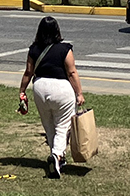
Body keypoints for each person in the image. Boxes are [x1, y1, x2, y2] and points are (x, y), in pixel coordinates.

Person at [18, 14, 84, 178]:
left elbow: (28, 72)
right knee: (63, 126)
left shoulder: (34, 49)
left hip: (40, 88)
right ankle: (57, 155)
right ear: (57, 30)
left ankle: (57, 158)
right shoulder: (65, 49)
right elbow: (72, 72)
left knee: (49, 125)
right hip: (61, 89)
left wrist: (22, 91)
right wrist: (79, 93)